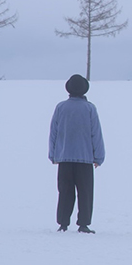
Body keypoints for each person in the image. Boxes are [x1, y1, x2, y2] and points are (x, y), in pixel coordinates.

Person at [49, 74, 106, 234]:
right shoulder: (89, 108)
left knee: (65, 191)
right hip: (85, 158)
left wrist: (53, 154)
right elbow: (96, 134)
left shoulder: (60, 107)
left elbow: (53, 132)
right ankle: (83, 224)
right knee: (85, 192)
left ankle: (63, 223)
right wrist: (98, 157)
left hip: (64, 158)